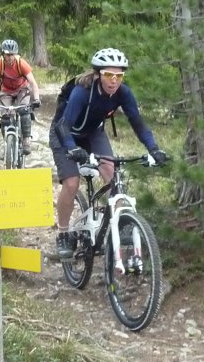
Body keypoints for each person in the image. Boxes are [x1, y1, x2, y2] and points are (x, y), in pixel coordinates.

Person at [50, 47, 168, 259]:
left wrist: (154, 149)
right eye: (108, 75)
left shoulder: (123, 93)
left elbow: (138, 124)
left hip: (93, 133)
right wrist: (72, 149)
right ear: (97, 75)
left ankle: (119, 225)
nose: (114, 80)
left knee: (112, 175)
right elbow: (63, 126)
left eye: (119, 75)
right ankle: (63, 233)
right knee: (71, 183)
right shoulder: (82, 92)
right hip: (64, 134)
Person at [0, 39, 41, 154]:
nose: (9, 57)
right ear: (3, 54)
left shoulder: (21, 64)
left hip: (22, 90)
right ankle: (7, 144)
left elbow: (33, 83)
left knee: (24, 111)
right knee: (5, 116)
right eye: (7, 55)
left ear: (16, 54)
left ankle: (26, 140)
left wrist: (36, 99)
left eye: (12, 55)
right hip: (6, 91)